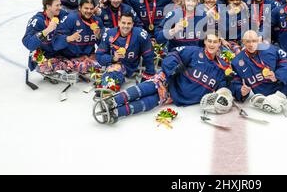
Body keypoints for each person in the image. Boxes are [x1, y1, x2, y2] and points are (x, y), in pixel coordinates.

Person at [93, 32, 231, 124]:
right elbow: (172, 55)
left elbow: (224, 90)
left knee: (151, 102)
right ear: (205, 42)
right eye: (209, 41)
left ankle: (117, 112)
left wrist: (232, 92)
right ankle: (113, 101)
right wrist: (173, 69)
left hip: (178, 96)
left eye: (215, 42)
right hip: (170, 79)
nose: (212, 44)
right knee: (148, 87)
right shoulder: (194, 51)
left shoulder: (222, 67)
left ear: (220, 43)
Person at [230, 30, 287, 103]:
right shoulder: (236, 62)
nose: (251, 44)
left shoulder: (271, 49)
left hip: (286, 91)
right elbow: (235, 81)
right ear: (243, 42)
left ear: (258, 40)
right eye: (248, 41)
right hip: (264, 99)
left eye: (254, 41)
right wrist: (240, 91)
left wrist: (277, 76)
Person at [96, 12, 155, 92]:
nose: (126, 26)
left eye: (129, 23)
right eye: (123, 23)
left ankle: (108, 88)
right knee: (112, 73)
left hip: (130, 66)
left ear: (133, 24)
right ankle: (107, 87)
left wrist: (149, 73)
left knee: (114, 73)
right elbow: (99, 56)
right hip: (113, 65)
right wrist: (113, 58)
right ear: (119, 22)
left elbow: (148, 54)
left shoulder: (141, 34)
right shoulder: (109, 34)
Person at [52, 0, 103, 73]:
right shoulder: (71, 18)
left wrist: (98, 36)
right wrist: (68, 38)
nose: (89, 11)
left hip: (88, 57)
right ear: (80, 8)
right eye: (86, 8)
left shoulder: (97, 21)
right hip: (69, 57)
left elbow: (103, 45)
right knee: (83, 67)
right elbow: (55, 44)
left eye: (91, 9)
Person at [22, 0, 69, 72]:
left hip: (58, 54)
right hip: (41, 56)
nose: (60, 8)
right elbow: (28, 43)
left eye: (60, 5)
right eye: (57, 5)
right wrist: (46, 31)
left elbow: (76, 18)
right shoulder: (37, 20)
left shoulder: (62, 15)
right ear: (48, 6)